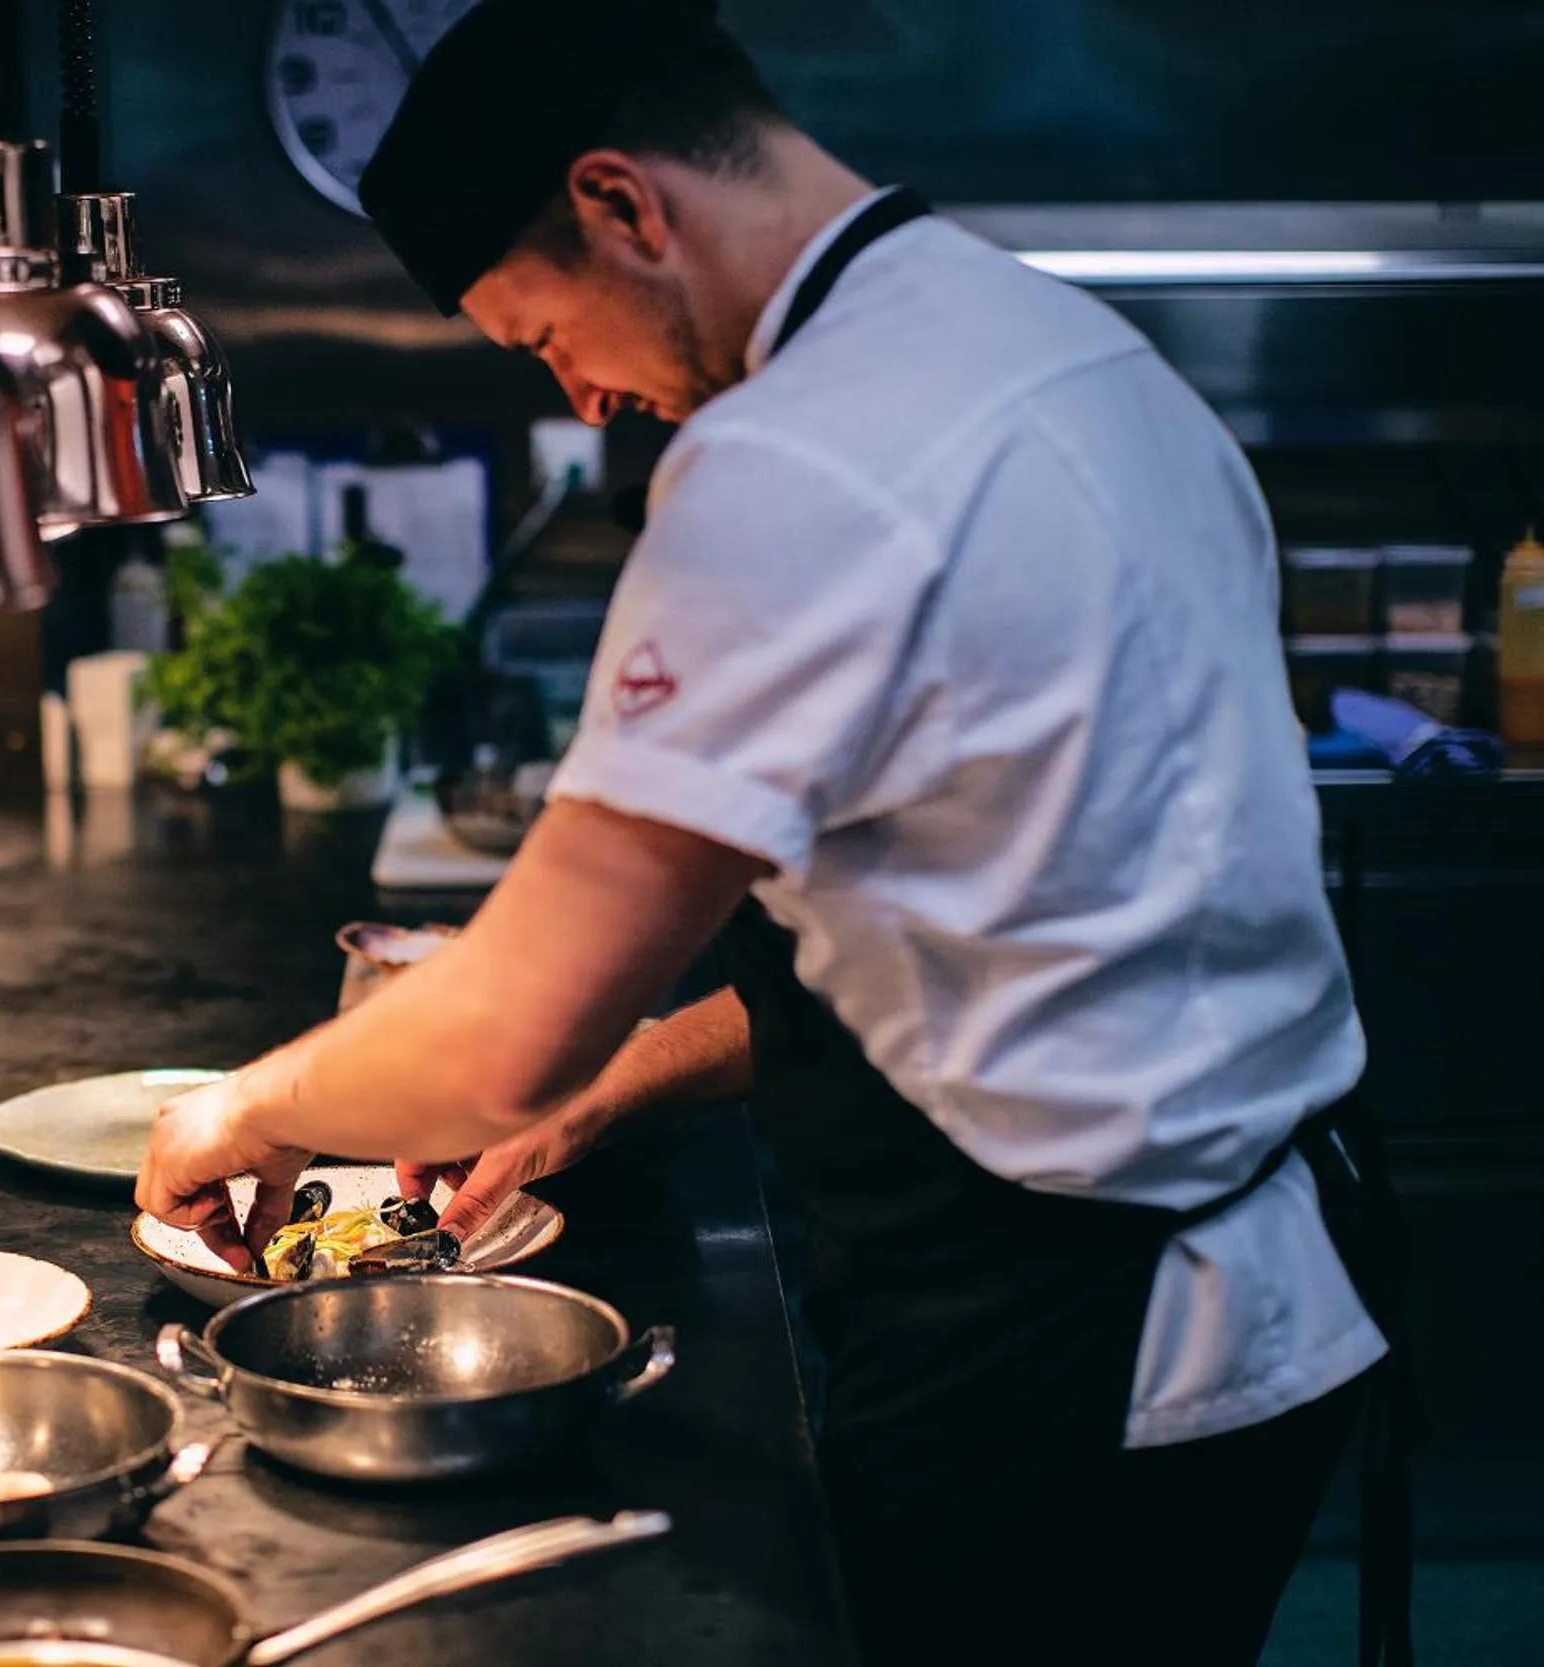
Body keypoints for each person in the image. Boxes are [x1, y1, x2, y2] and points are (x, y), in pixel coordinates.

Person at [135, 3, 1408, 1663]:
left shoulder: (792, 460)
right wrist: (623, 1075)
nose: (583, 395)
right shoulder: (1071, 348)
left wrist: (250, 1105)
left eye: (544, 337)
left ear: (620, 204)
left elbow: (509, 1031)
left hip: (1060, 1343)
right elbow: (996, 918)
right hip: (1270, 1274)